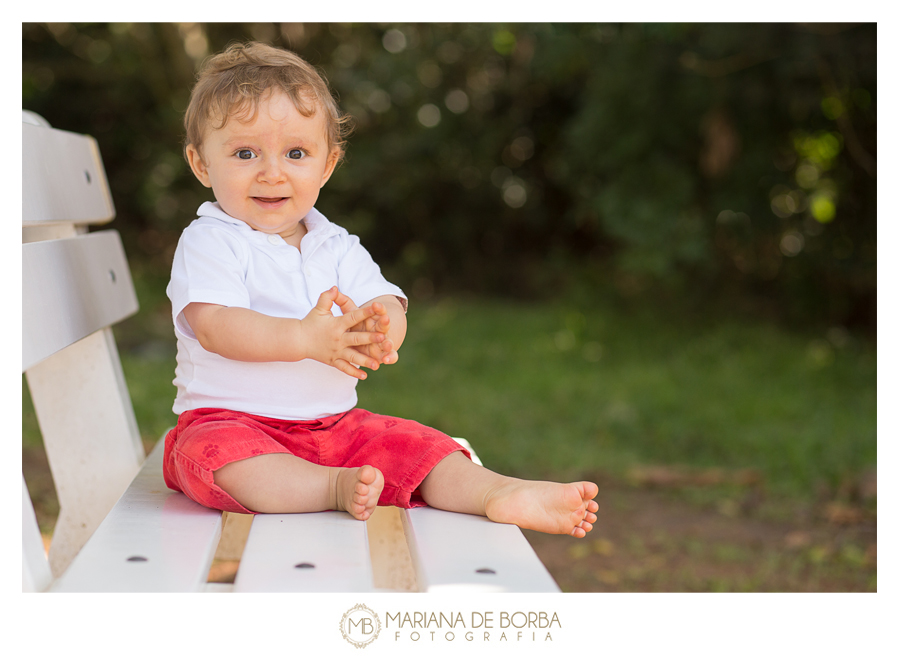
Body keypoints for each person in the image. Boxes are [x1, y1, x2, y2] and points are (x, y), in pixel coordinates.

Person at [163, 41, 599, 538]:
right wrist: (305, 340)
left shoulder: (336, 245)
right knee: (214, 460)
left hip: (336, 427)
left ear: (327, 165)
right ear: (201, 165)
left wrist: (382, 327)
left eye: (296, 153)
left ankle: (497, 492)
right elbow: (217, 326)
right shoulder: (211, 239)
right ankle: (328, 489)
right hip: (234, 422)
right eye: (245, 153)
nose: (272, 171)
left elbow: (383, 299)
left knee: (418, 445)